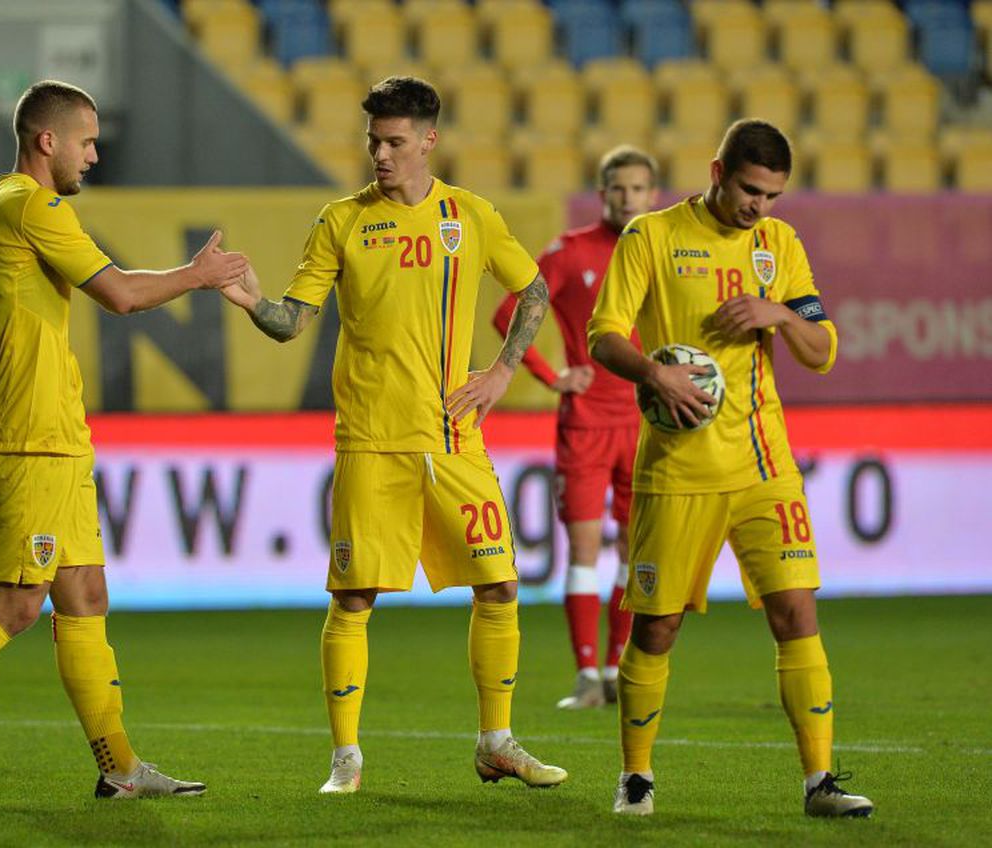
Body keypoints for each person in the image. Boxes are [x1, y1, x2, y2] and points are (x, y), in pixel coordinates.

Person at [0, 80, 249, 804]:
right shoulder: (32, 207)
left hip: (52, 441)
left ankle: (121, 769)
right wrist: (198, 275)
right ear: (47, 141)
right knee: (15, 602)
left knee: (85, 596)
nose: (94, 155)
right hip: (33, 443)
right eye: (87, 141)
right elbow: (122, 294)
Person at [218, 76, 567, 794]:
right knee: (353, 600)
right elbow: (293, 321)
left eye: (394, 142)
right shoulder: (341, 221)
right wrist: (252, 300)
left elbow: (532, 290)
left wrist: (503, 374)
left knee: (501, 586)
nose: (379, 154)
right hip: (372, 441)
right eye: (373, 140)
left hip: (452, 438)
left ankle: (496, 741)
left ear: (429, 141)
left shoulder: (470, 216)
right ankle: (345, 758)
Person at [587, 119, 874, 818]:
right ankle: (636, 779)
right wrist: (656, 372)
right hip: (677, 469)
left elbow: (821, 350)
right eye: (750, 190)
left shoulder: (779, 245)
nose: (759, 207)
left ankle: (819, 783)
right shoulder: (650, 236)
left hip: (763, 466)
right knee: (655, 629)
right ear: (718, 170)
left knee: (797, 612)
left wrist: (776, 312)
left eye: (772, 195)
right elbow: (603, 335)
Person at [492, 146, 659, 710]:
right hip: (586, 425)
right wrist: (552, 374)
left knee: (637, 553)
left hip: (646, 422)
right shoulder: (571, 252)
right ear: (603, 191)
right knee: (586, 551)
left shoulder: (661, 251)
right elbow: (507, 312)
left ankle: (616, 670)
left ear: (653, 196)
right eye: (619, 188)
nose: (629, 198)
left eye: (639, 189)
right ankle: (587, 674)